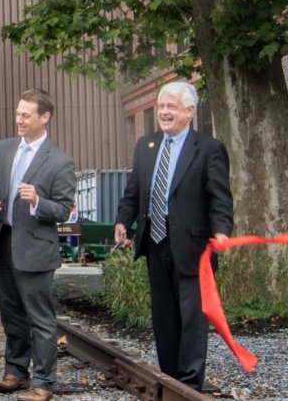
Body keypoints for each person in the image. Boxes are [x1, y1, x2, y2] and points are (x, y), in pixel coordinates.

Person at [114, 81, 231, 391]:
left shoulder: (208, 149)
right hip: (155, 243)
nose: (163, 112)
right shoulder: (145, 145)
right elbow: (133, 193)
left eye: (171, 107)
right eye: (161, 106)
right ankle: (170, 379)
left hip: (194, 247)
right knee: (164, 316)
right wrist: (123, 221)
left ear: (190, 111)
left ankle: (190, 385)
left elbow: (220, 198)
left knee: (193, 319)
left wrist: (222, 231)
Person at [0, 89, 76, 401]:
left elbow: (62, 209)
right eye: (18, 113)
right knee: (10, 313)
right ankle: (16, 371)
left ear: (44, 117)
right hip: (3, 242)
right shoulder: (4, 149)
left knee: (41, 319)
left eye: (25, 115)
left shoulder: (60, 161)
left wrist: (37, 201)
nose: (18, 119)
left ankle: (44, 382)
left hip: (35, 249)